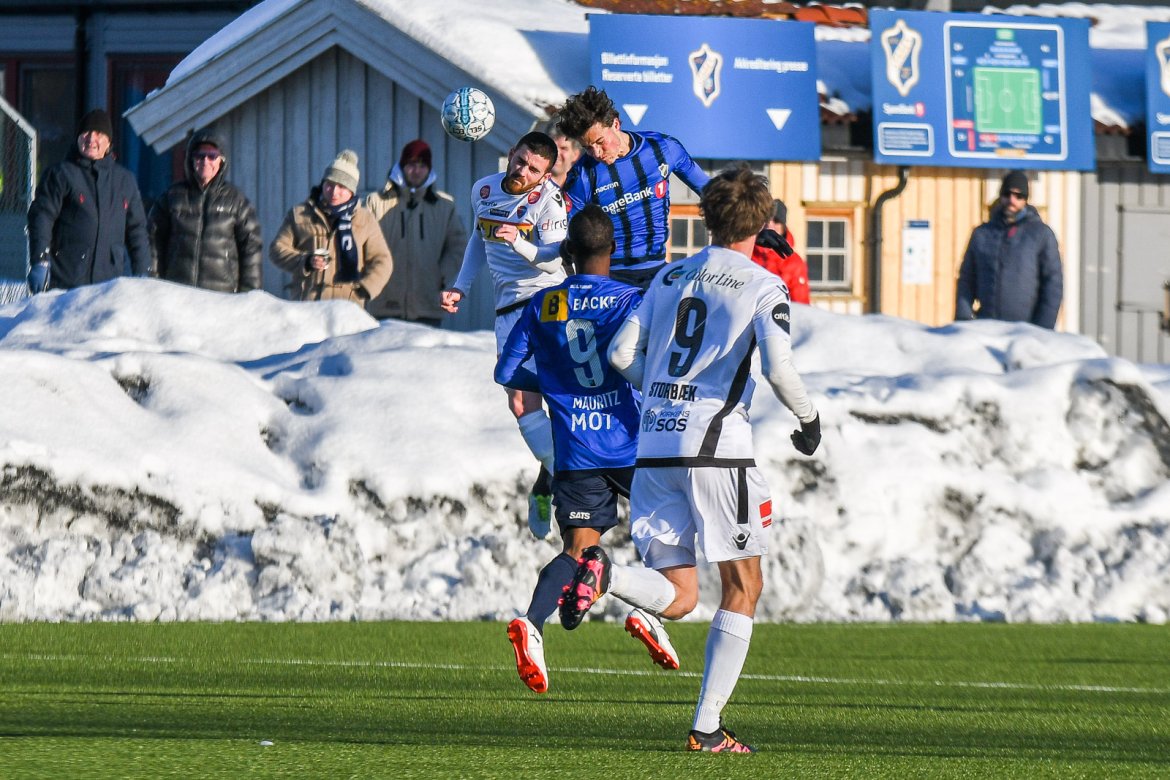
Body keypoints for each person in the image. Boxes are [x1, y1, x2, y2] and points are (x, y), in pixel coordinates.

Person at [559, 166, 821, 753]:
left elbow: (622, 352)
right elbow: (779, 369)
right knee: (743, 585)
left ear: (705, 217)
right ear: (763, 222)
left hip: (654, 447)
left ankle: (607, 574)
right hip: (717, 451)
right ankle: (706, 728)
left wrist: (658, 393)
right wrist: (809, 420)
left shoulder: (669, 275)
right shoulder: (763, 284)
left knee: (680, 595)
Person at [495, 204, 679, 694]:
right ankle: (650, 612)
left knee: (578, 550)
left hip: (575, 447)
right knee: (673, 534)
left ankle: (532, 624)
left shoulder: (543, 304)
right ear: (613, 249)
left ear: (567, 252)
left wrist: (559, 384)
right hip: (632, 444)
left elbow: (505, 372)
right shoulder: (632, 300)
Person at [440, 131, 568, 540]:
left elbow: (554, 261)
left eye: (534, 170)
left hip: (549, 302)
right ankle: (552, 479)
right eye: (521, 161)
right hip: (508, 309)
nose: (523, 171)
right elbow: (479, 240)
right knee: (518, 402)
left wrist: (521, 245)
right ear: (511, 154)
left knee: (559, 400)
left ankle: (564, 482)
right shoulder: (483, 189)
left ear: (545, 176)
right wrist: (461, 286)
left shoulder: (550, 202)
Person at [556, 86, 709, 289]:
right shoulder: (582, 176)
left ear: (616, 124)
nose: (596, 153)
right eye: (588, 147)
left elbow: (712, 192)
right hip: (611, 280)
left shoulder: (663, 149)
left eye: (600, 142)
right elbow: (566, 240)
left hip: (659, 273)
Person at [26, 108, 151, 292]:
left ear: (108, 142)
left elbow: (137, 231)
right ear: (78, 138)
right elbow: (42, 217)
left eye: (99, 134)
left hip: (109, 285)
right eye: (86, 133)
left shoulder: (125, 181)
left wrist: (142, 272)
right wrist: (40, 260)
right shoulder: (61, 174)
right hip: (65, 283)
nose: (91, 138)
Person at [270, 149, 392, 307]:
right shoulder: (299, 214)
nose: (334, 192)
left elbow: (383, 260)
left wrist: (364, 289)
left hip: (346, 309)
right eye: (329, 185)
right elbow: (277, 249)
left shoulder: (365, 219)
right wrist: (305, 261)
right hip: (306, 306)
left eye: (341, 187)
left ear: (351, 191)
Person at [148, 128, 263, 293]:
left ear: (221, 160)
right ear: (191, 160)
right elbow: (153, 240)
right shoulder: (172, 197)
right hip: (178, 293)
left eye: (212, 156)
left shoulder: (236, 202)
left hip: (221, 296)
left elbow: (251, 248)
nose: (205, 161)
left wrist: (249, 294)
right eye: (200, 156)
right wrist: (153, 282)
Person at [365, 139, 467, 325]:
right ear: (402, 166)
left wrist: (441, 276)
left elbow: (458, 246)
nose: (416, 171)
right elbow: (363, 244)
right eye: (411, 164)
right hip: (383, 304)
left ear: (429, 169)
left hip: (427, 305)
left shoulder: (444, 205)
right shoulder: (376, 202)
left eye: (422, 166)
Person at [955, 170, 1063, 329]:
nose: (1012, 200)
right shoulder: (982, 234)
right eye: (1007, 194)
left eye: (1018, 196)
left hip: (1025, 330)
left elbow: (1053, 284)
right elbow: (967, 278)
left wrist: (1043, 328)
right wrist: (963, 318)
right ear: (1001, 196)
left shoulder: (1041, 235)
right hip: (987, 326)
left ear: (1025, 200)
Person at [751, 199, 810, 304]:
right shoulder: (747, 252)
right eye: (766, 220)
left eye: (776, 221)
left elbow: (801, 303)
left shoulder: (794, 262)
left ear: (783, 227)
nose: (770, 225)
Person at [543, 118, 581, 189]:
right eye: (552, 145)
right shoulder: (527, 183)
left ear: (575, 155)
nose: (556, 153)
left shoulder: (578, 192)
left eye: (563, 148)